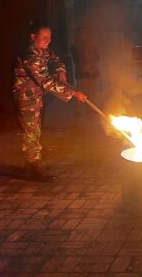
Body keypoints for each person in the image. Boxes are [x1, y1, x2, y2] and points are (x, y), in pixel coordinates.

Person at [12, 21, 87, 182]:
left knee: (35, 130)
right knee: (30, 132)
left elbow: (56, 60)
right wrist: (73, 93)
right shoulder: (30, 56)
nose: (48, 40)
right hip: (26, 98)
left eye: (49, 37)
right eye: (44, 37)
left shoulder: (43, 52)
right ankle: (34, 168)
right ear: (33, 37)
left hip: (36, 97)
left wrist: (61, 72)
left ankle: (31, 164)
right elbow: (46, 81)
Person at [71, 26, 101, 120]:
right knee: (81, 91)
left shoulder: (92, 45)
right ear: (78, 35)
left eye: (85, 33)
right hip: (82, 73)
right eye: (81, 33)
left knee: (92, 92)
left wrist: (91, 65)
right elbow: (76, 59)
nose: (83, 35)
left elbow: (97, 57)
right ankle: (78, 110)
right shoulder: (74, 46)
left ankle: (90, 109)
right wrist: (85, 66)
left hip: (92, 72)